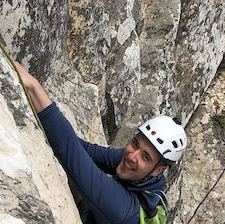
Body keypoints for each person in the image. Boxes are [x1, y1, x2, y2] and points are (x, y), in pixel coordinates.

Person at [14, 63, 186, 224]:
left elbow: (75, 158)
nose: (132, 156)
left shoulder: (125, 212)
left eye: (145, 157)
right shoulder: (144, 173)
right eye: (135, 143)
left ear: (158, 170)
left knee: (71, 175)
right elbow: (84, 149)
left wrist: (33, 87)